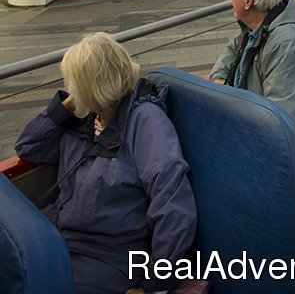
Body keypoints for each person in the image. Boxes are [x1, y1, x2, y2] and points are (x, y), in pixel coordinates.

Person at [15, 32, 197, 294]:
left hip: (110, 258)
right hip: (59, 237)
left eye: (75, 84)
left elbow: (175, 210)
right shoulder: (85, 117)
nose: (71, 89)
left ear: (92, 87)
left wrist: (153, 286)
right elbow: (28, 147)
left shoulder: (146, 122)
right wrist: (64, 107)